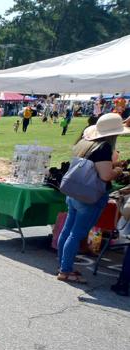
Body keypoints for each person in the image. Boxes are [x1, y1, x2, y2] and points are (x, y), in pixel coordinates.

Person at [56, 113, 129, 283]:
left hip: (75, 192)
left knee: (68, 231)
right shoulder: (103, 148)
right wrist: (118, 170)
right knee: (76, 234)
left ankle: (63, 266)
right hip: (89, 196)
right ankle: (65, 271)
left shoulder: (85, 143)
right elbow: (105, 175)